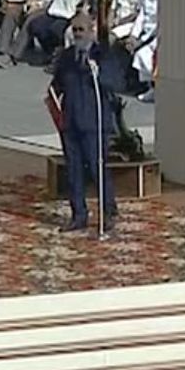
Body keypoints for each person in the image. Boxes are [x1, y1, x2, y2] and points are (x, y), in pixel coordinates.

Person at [48, 12, 119, 233]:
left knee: (98, 168)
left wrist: (97, 74)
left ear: (91, 30)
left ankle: (108, 211)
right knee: (74, 171)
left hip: (94, 123)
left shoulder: (103, 55)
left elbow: (114, 82)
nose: (78, 34)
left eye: (82, 30)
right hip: (71, 122)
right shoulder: (67, 57)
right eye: (75, 30)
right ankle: (78, 213)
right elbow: (56, 84)